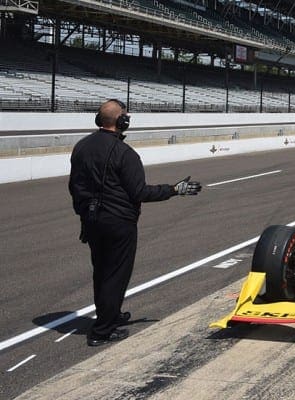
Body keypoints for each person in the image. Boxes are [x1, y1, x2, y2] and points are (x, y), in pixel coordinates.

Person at [69, 99, 202, 347]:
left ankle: (110, 314)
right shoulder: (124, 153)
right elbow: (139, 192)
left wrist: (84, 213)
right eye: (125, 115)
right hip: (118, 222)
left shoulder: (82, 146)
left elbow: (75, 187)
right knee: (116, 274)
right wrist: (174, 189)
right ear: (122, 121)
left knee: (102, 271)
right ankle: (102, 330)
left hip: (91, 219)